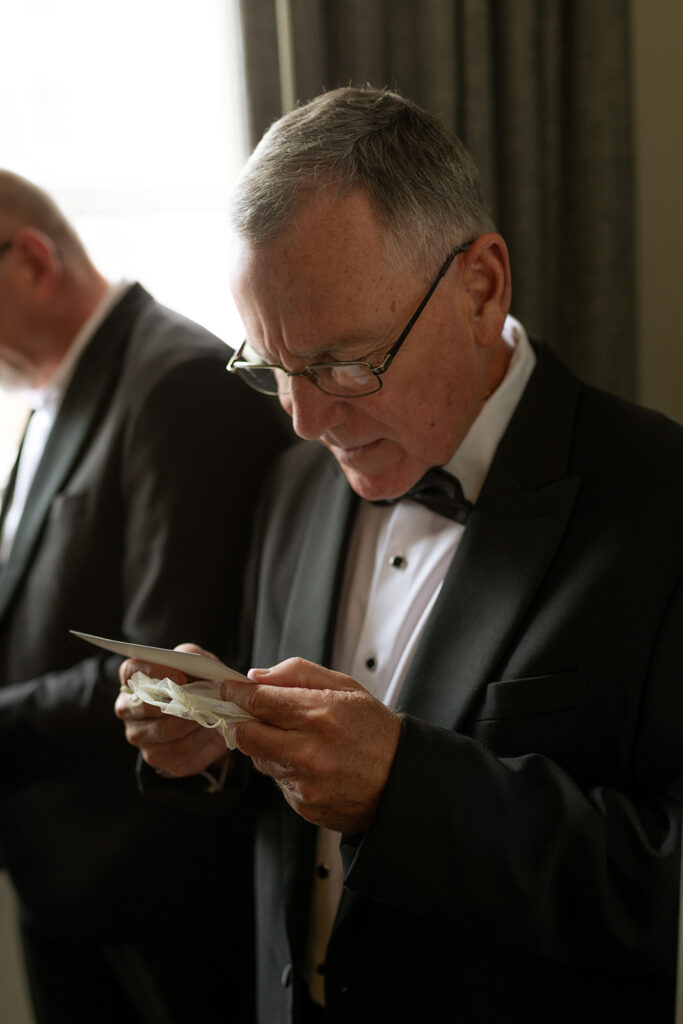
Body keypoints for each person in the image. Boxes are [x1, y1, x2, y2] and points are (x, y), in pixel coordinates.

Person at [115, 88, 683, 1023]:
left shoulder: (662, 503)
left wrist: (406, 789)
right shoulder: (298, 483)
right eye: (272, 367)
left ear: (482, 286)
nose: (303, 420)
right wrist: (211, 745)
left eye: (344, 364)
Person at [0, 169, 291, 1023]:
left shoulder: (177, 384)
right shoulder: (51, 391)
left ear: (29, 260)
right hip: (62, 872)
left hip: (150, 887)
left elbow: (163, 669)